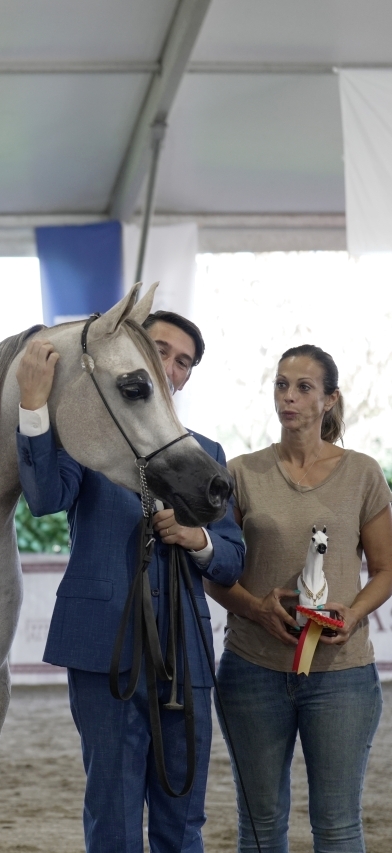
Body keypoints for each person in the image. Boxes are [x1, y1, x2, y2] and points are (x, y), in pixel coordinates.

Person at [15, 310, 245, 853]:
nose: (169, 366)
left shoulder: (208, 455)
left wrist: (198, 540)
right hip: (104, 652)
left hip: (184, 658)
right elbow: (45, 499)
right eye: (159, 350)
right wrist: (32, 406)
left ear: (188, 377)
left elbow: (231, 560)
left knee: (183, 818)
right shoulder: (86, 443)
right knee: (112, 817)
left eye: (182, 361)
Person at [207, 344, 392, 853]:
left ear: (329, 400)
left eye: (303, 387)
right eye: (281, 385)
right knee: (260, 829)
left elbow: (385, 569)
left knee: (337, 829)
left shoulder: (363, 473)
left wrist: (353, 615)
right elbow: (213, 570)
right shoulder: (240, 473)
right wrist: (255, 610)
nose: (288, 397)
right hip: (251, 671)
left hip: (342, 676)